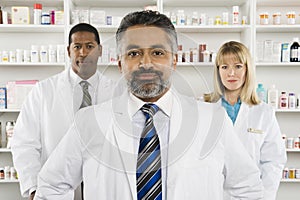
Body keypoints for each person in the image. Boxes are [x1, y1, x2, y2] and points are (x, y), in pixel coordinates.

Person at [34, 11, 263, 199]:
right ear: (120, 62)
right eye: (134, 53)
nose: (146, 63)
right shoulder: (88, 122)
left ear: (174, 59)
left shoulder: (213, 119)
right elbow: (50, 186)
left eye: (157, 52)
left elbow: (248, 187)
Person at [11, 23, 120, 200]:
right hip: (55, 191)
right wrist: (33, 187)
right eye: (77, 47)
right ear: (69, 51)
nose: (83, 53)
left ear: (100, 50)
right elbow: (24, 143)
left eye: (90, 46)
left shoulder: (117, 93)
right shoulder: (43, 91)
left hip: (104, 189)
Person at [210, 41, 287, 200]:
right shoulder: (206, 110)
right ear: (218, 71)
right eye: (225, 67)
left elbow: (274, 161)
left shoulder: (263, 112)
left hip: (252, 195)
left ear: (247, 69)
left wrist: (264, 195)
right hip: (213, 193)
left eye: (238, 66)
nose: (231, 73)